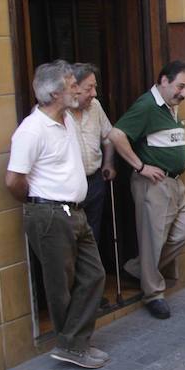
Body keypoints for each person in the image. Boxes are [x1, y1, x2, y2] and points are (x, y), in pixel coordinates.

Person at [6, 61, 108, 368]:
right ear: (53, 93)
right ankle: (74, 347)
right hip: (50, 213)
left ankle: (73, 343)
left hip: (74, 212)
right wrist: (40, 202)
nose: (77, 88)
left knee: (94, 275)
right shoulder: (32, 130)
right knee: (60, 285)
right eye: (71, 85)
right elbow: (13, 180)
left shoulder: (67, 119)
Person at [108, 61, 185, 320]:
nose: (184, 93)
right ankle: (153, 293)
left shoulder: (170, 107)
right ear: (163, 81)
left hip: (174, 182)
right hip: (154, 184)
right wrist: (140, 166)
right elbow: (116, 134)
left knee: (182, 233)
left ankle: (137, 268)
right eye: (180, 86)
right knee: (152, 240)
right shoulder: (147, 105)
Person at [70, 63, 116, 246]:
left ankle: (90, 275)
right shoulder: (60, 113)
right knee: (71, 239)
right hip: (71, 186)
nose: (94, 93)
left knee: (92, 235)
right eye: (89, 88)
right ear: (73, 88)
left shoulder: (95, 106)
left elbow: (108, 137)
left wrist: (109, 164)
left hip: (95, 181)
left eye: (94, 87)